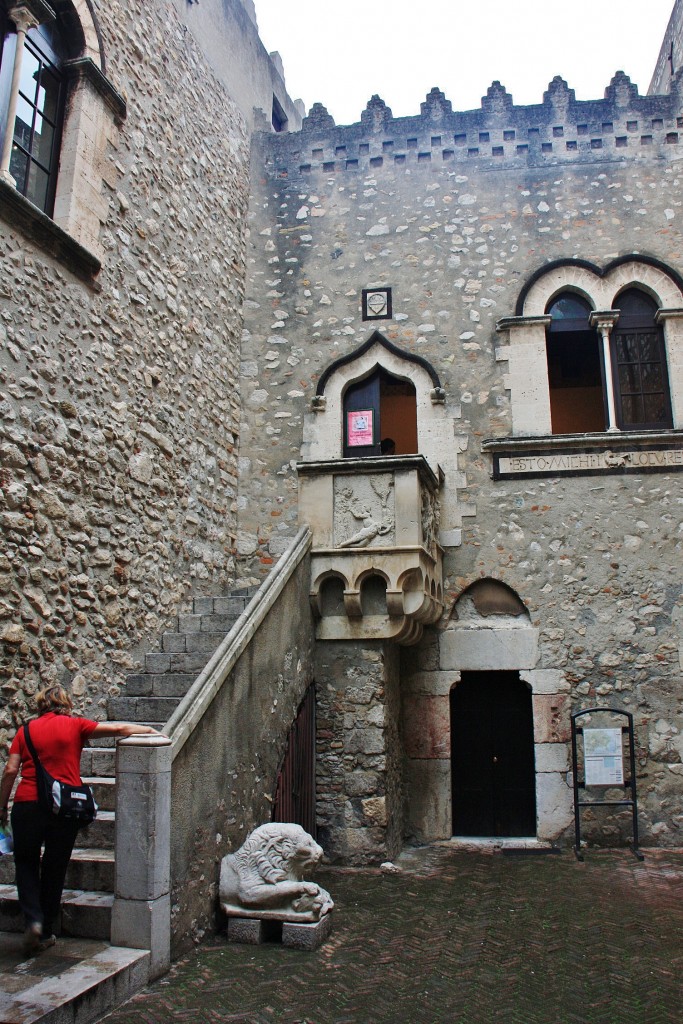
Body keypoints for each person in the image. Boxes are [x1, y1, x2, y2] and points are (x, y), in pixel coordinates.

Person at [0, 685, 161, 955]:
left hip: (27, 805)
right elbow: (120, 730)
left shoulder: (24, 731)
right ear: (66, 703)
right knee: (55, 866)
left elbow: (10, 769)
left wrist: (2, 805)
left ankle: (34, 920)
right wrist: (152, 731)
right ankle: (46, 929)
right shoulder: (75, 725)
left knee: (25, 864)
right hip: (64, 807)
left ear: (40, 705)